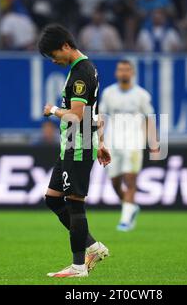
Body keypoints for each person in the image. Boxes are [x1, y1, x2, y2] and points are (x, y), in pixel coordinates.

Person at [38, 24, 111, 278]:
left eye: (53, 55)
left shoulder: (81, 73)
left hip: (78, 147)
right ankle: (92, 245)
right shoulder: (82, 69)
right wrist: (101, 141)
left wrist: (53, 111)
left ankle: (79, 266)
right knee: (53, 198)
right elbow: (95, 112)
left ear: (66, 46)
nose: (53, 61)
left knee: (75, 204)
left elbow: (78, 115)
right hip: (72, 144)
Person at [99, 60, 156, 232]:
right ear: (116, 73)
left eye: (127, 70)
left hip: (133, 143)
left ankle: (125, 220)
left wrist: (153, 142)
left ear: (132, 73)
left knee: (130, 180)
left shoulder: (141, 95)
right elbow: (102, 117)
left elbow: (149, 118)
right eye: (121, 70)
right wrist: (100, 141)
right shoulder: (109, 93)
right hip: (112, 143)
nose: (124, 73)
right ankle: (130, 207)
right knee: (115, 182)